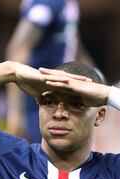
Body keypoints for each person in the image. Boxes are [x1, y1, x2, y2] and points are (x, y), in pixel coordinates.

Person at [5, 0, 95, 143]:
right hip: (41, 98)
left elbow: (72, 44)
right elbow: (18, 49)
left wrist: (97, 78)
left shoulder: (69, 5)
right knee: (43, 158)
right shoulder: (48, 3)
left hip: (62, 96)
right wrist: (15, 111)